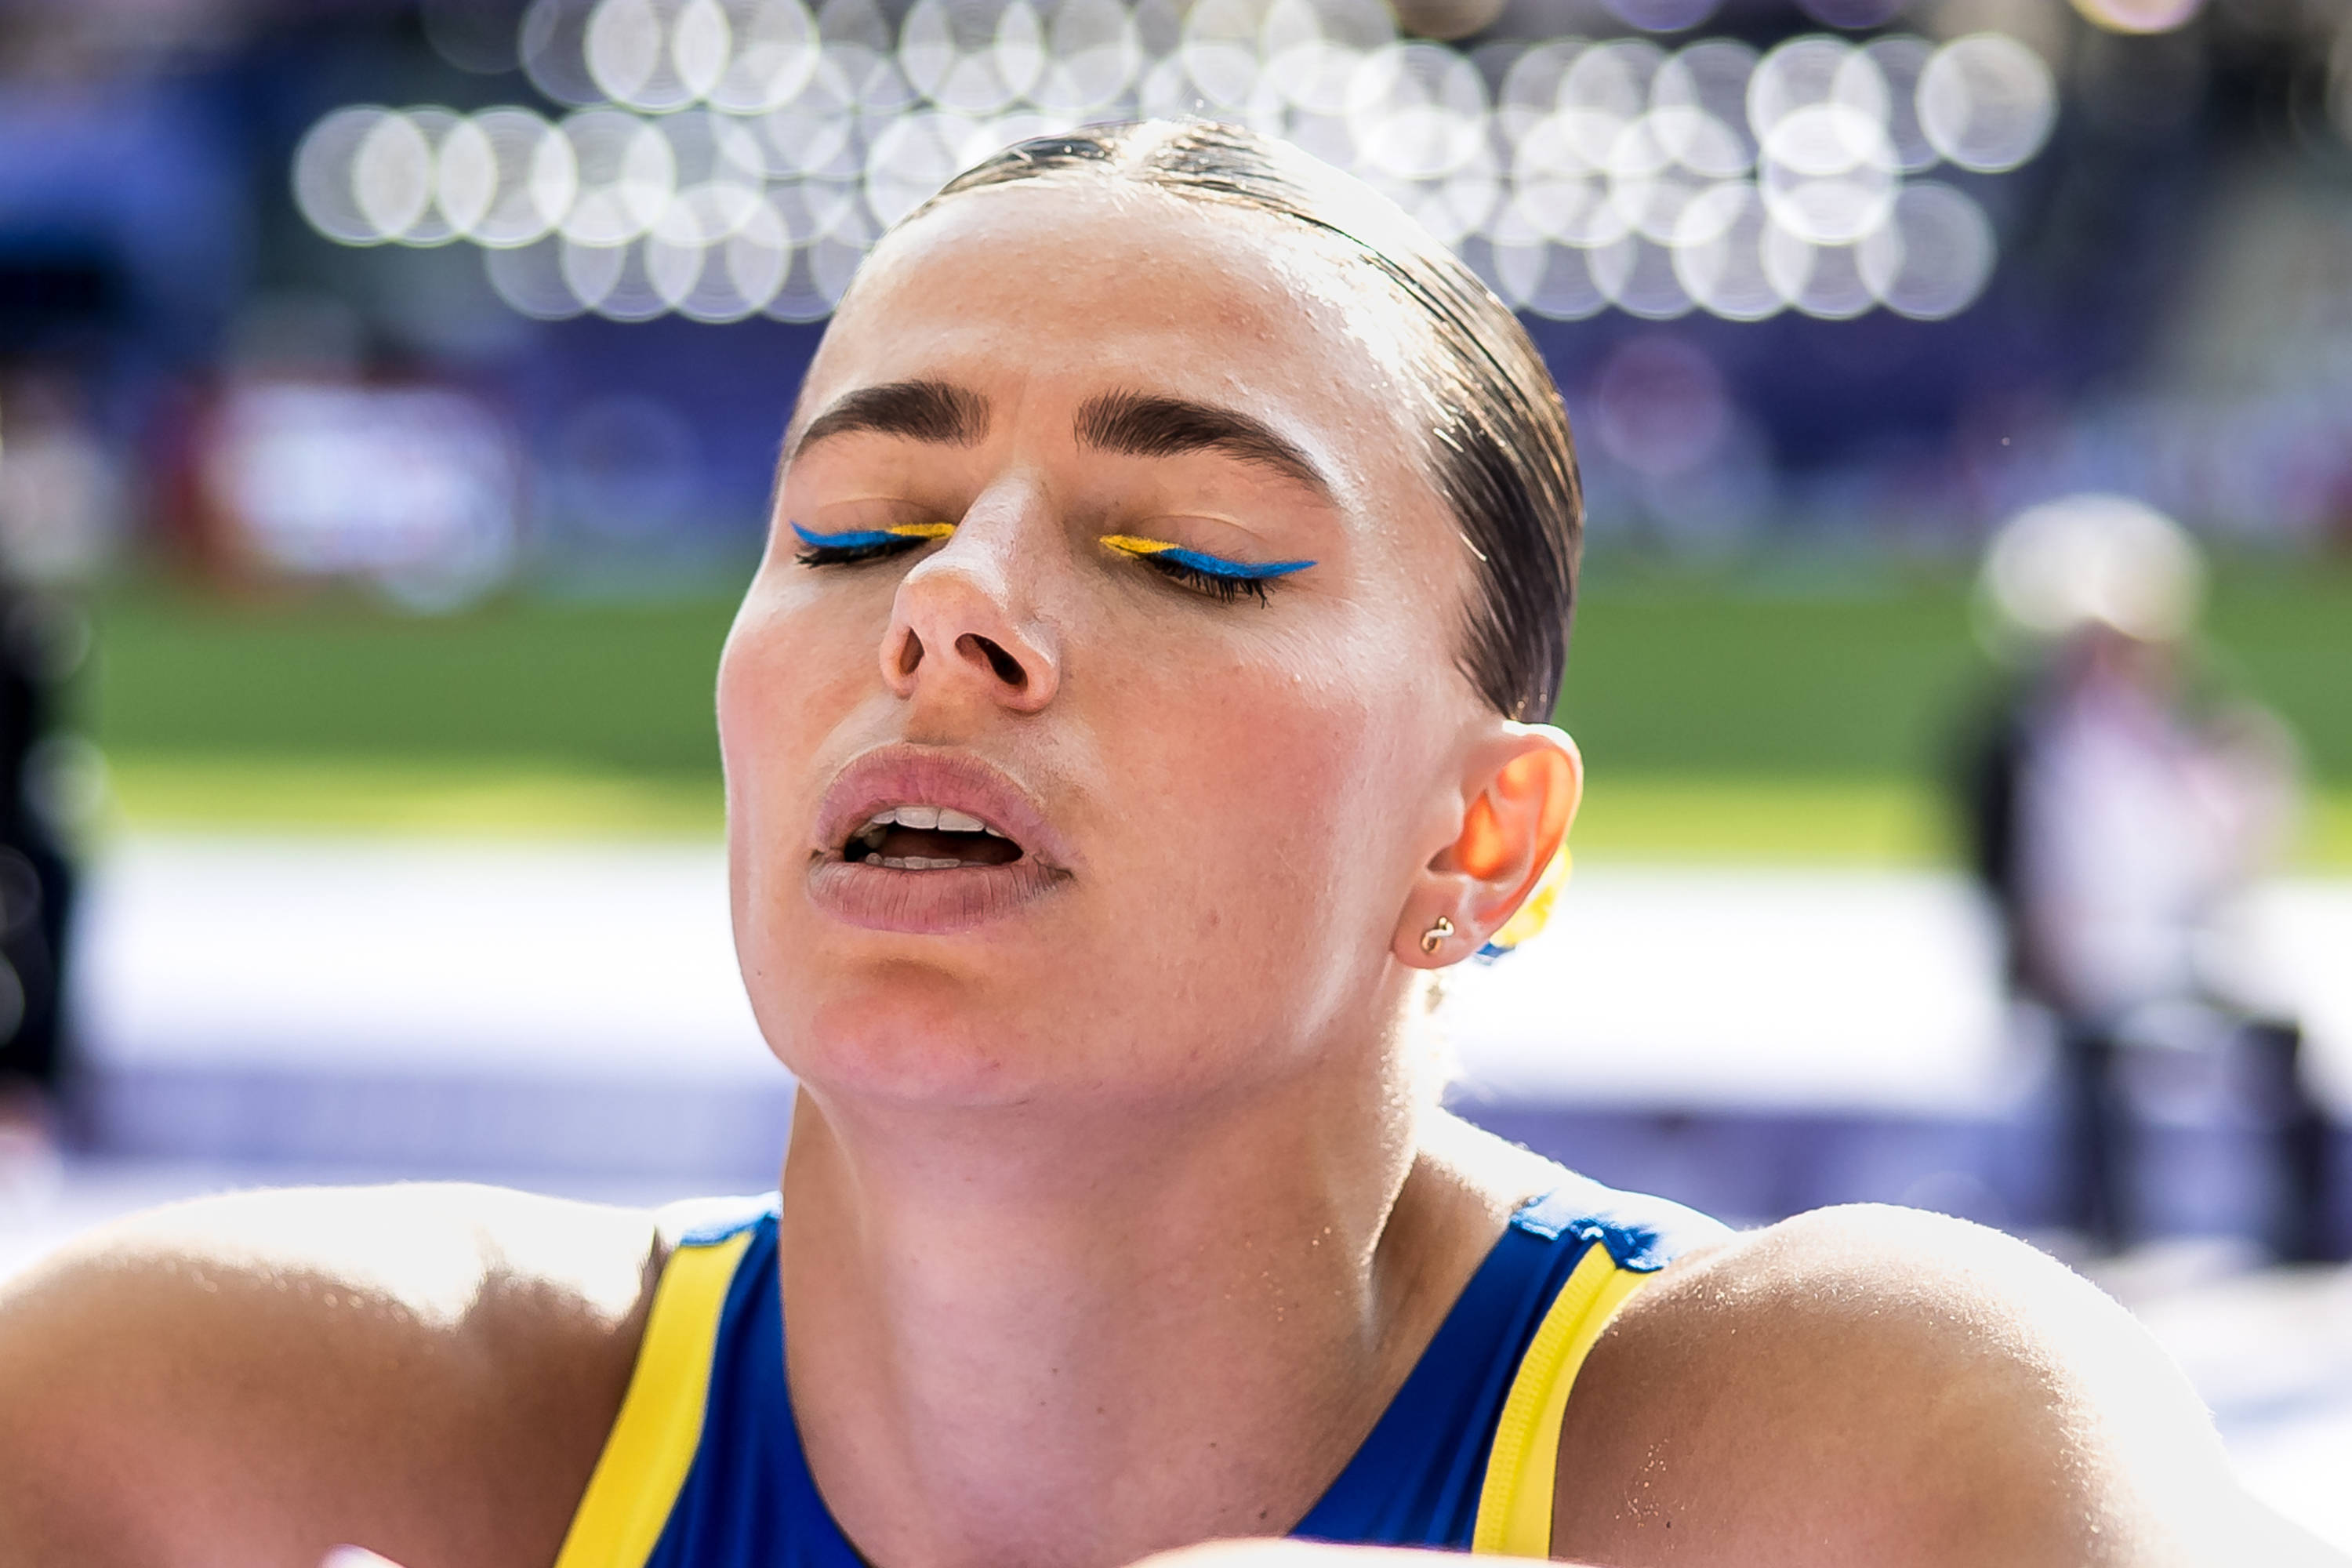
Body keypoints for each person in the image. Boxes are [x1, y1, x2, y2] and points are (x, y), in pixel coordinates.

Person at [0, 123, 2339, 1568]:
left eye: (1195, 554)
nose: (952, 605)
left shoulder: (1866, 1448)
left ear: (1486, 835)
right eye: (852, 525)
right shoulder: (219, 1432)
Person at [1958, 495, 2335, 1261]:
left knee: (2279, 1038)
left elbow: (2226, 847)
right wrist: (2038, 945)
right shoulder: (2027, 739)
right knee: (2093, 1057)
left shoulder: (2189, 728)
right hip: (2080, 944)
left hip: (2174, 939)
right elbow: (2010, 857)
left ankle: (2304, 1232)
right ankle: (2108, 1232)